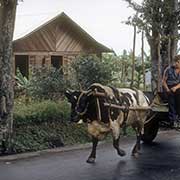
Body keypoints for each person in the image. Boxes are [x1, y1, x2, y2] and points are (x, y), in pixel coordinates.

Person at [162, 55, 180, 128]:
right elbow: (163, 82)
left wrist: (175, 87)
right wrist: (167, 89)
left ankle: (178, 117)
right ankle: (173, 119)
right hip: (168, 88)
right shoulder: (168, 69)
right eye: (176, 62)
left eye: (178, 62)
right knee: (171, 99)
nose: (176, 63)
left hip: (177, 87)